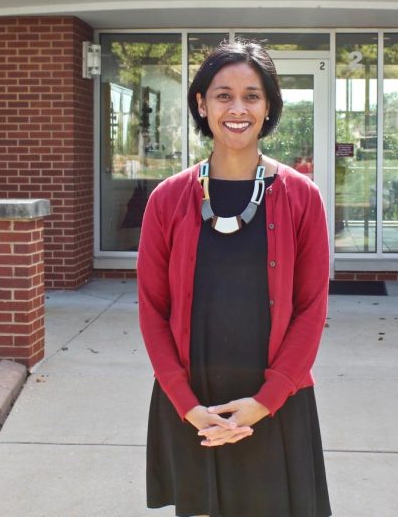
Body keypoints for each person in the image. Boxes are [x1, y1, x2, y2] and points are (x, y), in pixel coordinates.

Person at [137, 40, 332, 517]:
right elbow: (152, 309)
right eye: (223, 95)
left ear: (269, 106)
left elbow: (312, 308)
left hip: (275, 399)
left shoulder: (302, 197)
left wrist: (265, 401)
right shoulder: (167, 199)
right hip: (192, 399)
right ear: (202, 104)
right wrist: (185, 403)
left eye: (252, 95)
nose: (237, 108)